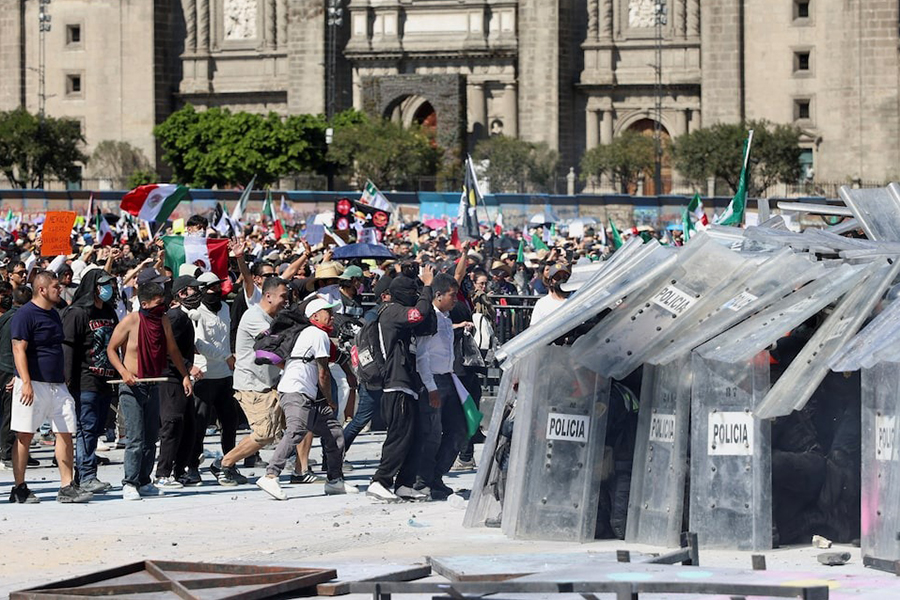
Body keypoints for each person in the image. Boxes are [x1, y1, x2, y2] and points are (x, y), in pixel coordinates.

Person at [256, 298, 358, 500]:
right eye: (327, 312)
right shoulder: (317, 333)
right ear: (315, 316)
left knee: (334, 432)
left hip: (306, 392)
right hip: (296, 390)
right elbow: (323, 372)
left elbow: (335, 359)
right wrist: (329, 399)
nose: (332, 316)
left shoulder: (315, 335)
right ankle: (270, 475)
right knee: (296, 429)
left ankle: (335, 480)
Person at [9, 271, 92, 503]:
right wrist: (25, 382)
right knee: (24, 435)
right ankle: (19, 487)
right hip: (32, 383)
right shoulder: (25, 315)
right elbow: (18, 349)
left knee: (65, 432)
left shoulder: (55, 314)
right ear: (42, 289)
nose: (60, 289)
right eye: (55, 286)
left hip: (57, 384)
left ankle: (67, 486)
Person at [107, 282, 193, 501]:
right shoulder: (130, 321)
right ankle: (130, 482)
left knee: (150, 437)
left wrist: (185, 375)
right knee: (135, 438)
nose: (161, 306)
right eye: (157, 303)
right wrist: (124, 372)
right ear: (144, 304)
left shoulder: (163, 320)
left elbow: (172, 349)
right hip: (132, 386)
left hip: (154, 383)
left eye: (162, 302)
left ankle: (144, 480)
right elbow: (111, 349)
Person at [367, 267, 436, 503]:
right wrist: (428, 287)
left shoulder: (398, 312)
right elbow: (418, 314)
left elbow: (427, 323)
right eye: (412, 292)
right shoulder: (392, 311)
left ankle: (404, 484)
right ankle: (380, 481)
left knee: (414, 437)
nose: (415, 296)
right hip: (395, 386)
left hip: (408, 384)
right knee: (398, 438)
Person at [211, 276, 288, 486]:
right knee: (264, 433)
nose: (286, 300)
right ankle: (223, 464)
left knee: (281, 430)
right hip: (252, 384)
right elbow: (273, 347)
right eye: (283, 296)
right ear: (268, 296)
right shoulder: (255, 317)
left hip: (268, 383)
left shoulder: (272, 316)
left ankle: (300, 469)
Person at [61, 269, 119, 494]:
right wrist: (66, 379)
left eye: (111, 284)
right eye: (104, 285)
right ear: (92, 287)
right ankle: (86, 475)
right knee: (86, 428)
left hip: (106, 380)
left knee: (95, 429)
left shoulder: (110, 311)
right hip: (84, 381)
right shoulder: (77, 313)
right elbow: (67, 348)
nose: (109, 289)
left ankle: (85, 473)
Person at [414, 273, 466, 500]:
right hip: (433, 381)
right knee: (432, 435)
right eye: (452, 295)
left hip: (448, 379)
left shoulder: (445, 318)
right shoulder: (430, 319)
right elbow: (422, 356)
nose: (456, 300)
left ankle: (437, 475)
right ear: (438, 295)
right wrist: (430, 386)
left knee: (459, 430)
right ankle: (423, 481)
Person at [189, 271, 238, 484]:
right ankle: (192, 466)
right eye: (211, 288)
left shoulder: (226, 308)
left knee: (230, 423)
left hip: (226, 375)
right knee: (199, 424)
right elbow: (199, 344)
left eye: (218, 287)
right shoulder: (195, 313)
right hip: (204, 376)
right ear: (201, 290)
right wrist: (225, 356)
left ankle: (229, 464)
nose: (216, 291)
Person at [154, 275, 202, 489]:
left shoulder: (184, 317)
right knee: (172, 425)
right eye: (193, 290)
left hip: (182, 377)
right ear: (181, 294)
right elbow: (165, 349)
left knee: (189, 426)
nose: (197, 294)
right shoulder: (175, 317)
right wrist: (187, 366)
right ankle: (163, 473)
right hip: (171, 378)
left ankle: (179, 470)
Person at [0, 286, 29, 469]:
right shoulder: (18, 319)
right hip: (11, 369)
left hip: (6, 368)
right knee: (11, 412)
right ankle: (8, 451)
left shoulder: (6, 317)